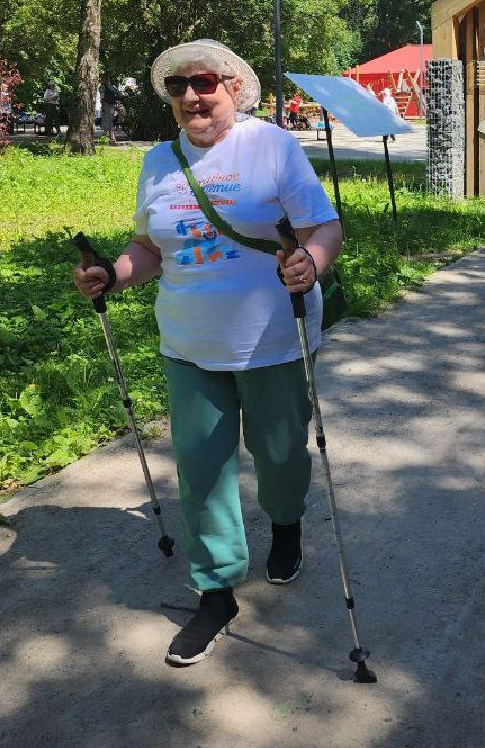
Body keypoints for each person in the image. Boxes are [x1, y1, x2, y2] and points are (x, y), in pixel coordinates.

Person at [72, 39, 342, 668]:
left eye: (204, 82)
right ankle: (216, 591)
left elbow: (323, 227)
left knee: (279, 453)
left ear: (231, 86)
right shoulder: (158, 163)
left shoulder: (271, 146)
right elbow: (150, 247)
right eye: (178, 87)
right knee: (201, 470)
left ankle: (286, 527)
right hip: (189, 342)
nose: (193, 96)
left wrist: (312, 263)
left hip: (273, 336)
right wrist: (112, 274)